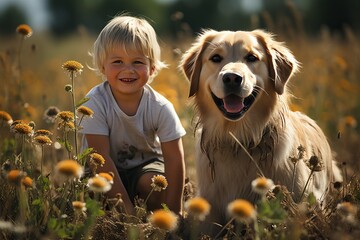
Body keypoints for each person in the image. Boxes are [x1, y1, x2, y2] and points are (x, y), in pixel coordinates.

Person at [80, 14, 186, 215]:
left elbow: (174, 157)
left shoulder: (160, 107)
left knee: (155, 187)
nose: (128, 70)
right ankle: (124, 213)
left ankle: (152, 212)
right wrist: (127, 212)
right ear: (103, 66)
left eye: (137, 62)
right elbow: (100, 157)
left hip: (145, 166)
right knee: (90, 196)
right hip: (101, 168)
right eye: (118, 61)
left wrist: (175, 213)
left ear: (152, 68)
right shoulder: (95, 101)